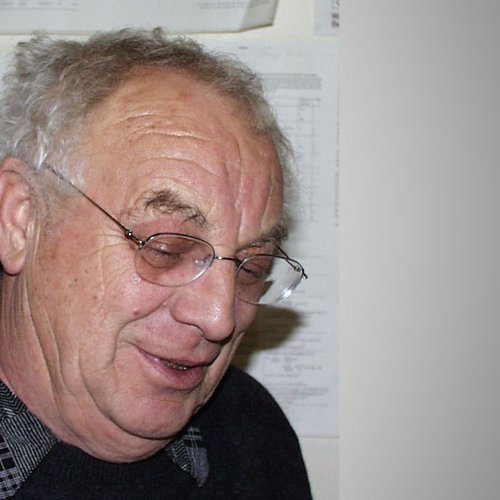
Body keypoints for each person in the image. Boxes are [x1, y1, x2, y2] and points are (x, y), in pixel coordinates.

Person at [0, 28, 311, 499]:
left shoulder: (249, 433)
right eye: (167, 249)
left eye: (251, 267)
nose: (219, 318)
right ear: (20, 219)